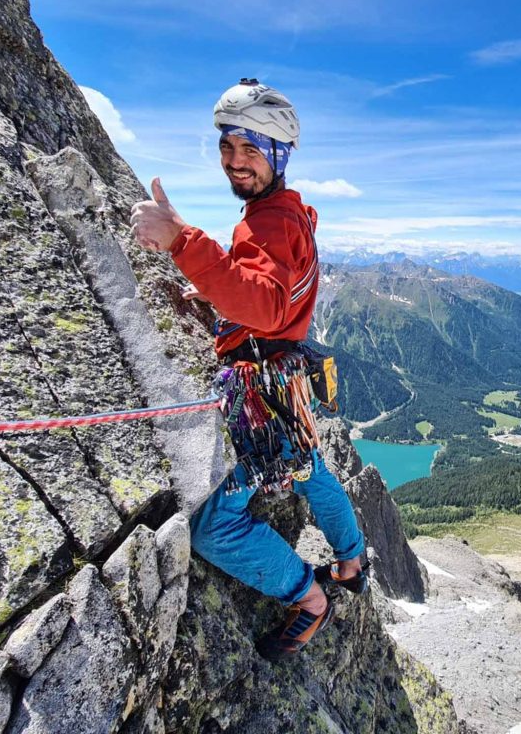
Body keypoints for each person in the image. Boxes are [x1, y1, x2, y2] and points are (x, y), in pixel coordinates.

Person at [129, 79, 366, 661]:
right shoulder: (279, 215)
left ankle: (308, 599)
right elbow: (269, 294)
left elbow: (261, 300)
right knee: (309, 467)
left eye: (250, 149)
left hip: (260, 394)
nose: (235, 162)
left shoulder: (271, 223)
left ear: (278, 154)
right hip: (281, 381)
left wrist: (183, 240)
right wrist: (211, 292)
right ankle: (353, 560)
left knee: (215, 530)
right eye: (227, 147)